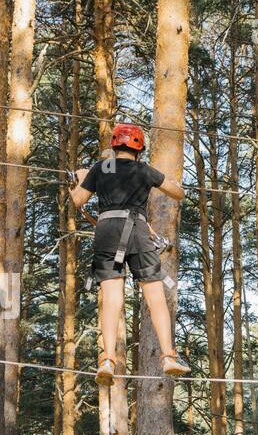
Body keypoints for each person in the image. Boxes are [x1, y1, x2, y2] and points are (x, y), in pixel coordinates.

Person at [71, 122, 191, 385]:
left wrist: (81, 179)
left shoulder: (100, 168)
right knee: (155, 295)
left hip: (106, 231)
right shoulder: (143, 169)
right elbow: (178, 193)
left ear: (115, 147)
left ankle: (107, 360)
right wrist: (166, 180)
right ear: (139, 149)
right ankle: (168, 356)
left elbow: (77, 200)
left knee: (111, 298)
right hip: (137, 230)